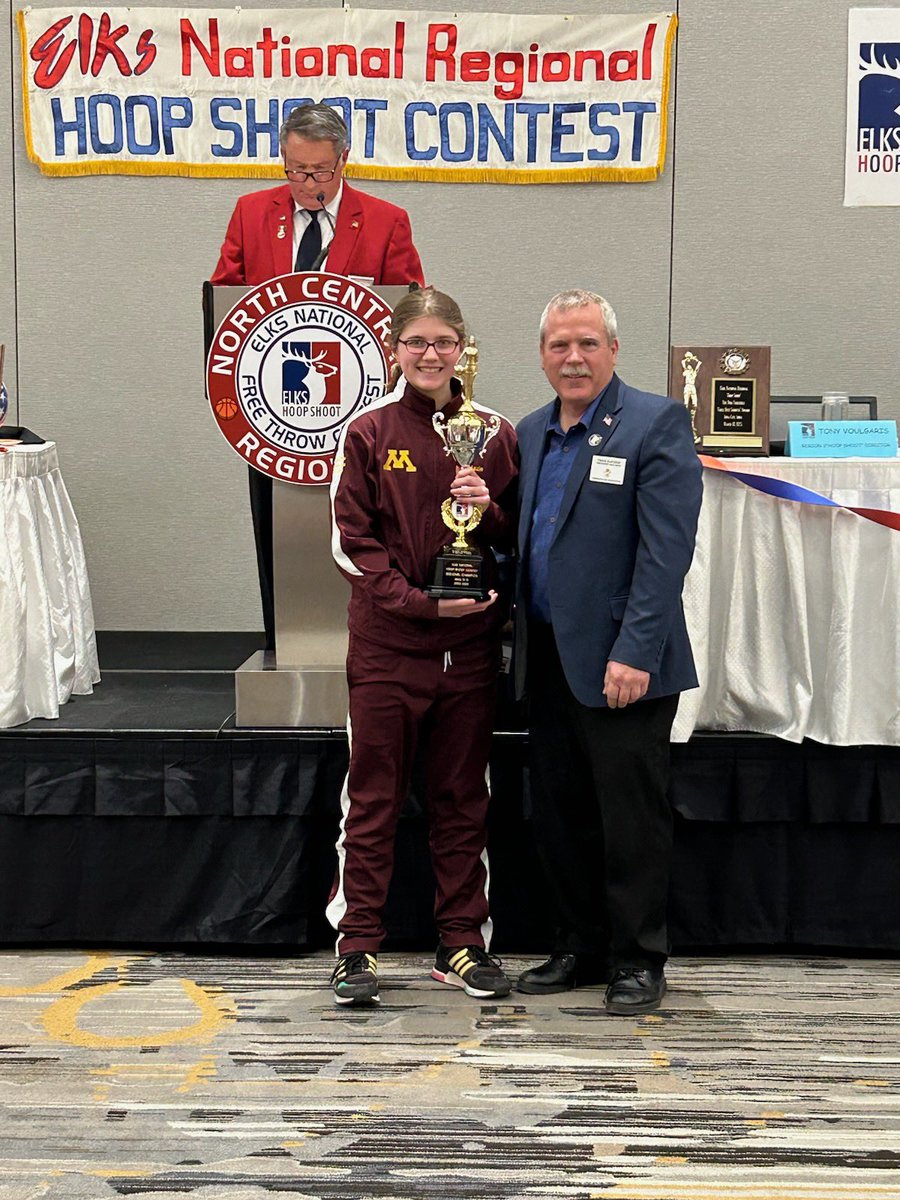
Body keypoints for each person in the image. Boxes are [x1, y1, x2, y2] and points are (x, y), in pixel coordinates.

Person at [327, 287, 518, 1007]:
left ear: (462, 347)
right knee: (373, 798)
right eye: (417, 343)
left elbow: (514, 538)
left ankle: (462, 943)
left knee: (463, 799)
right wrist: (419, 605)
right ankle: (357, 949)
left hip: (468, 655)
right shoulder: (367, 432)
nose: (431, 355)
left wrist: (488, 509)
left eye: (444, 342)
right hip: (388, 651)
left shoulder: (495, 433)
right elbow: (352, 544)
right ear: (394, 349)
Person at [514, 290, 702, 1015]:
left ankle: (637, 958)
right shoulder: (530, 431)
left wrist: (635, 650)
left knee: (630, 816)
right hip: (549, 656)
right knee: (561, 812)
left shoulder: (655, 422)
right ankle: (580, 945)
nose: (573, 357)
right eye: (559, 345)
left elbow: (665, 552)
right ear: (542, 355)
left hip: (626, 661)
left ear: (613, 351)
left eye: (588, 343)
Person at [211, 102, 425, 651]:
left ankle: (371, 640)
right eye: (295, 169)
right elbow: (224, 302)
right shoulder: (250, 212)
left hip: (359, 414)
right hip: (272, 417)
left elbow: (412, 311)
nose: (307, 183)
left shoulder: (385, 220)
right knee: (275, 530)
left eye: (320, 171)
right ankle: (284, 641)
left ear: (344, 159)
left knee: (365, 523)